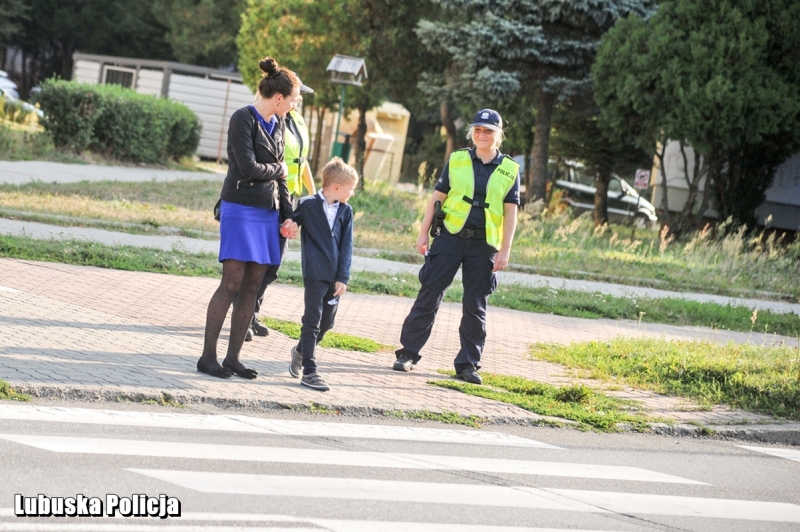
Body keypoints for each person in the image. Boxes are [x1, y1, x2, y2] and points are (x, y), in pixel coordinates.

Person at [391, 109, 520, 385]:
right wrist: (423, 233)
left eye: (488, 131)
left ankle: (468, 364)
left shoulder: (510, 169)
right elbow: (436, 198)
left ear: (499, 135)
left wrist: (505, 249)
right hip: (449, 237)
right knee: (429, 294)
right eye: (478, 130)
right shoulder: (458, 159)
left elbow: (511, 213)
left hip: (484, 244)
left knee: (476, 305)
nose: (482, 135)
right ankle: (407, 354)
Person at [196, 57, 301, 380]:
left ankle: (233, 359)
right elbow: (247, 167)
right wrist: (278, 170)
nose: (295, 105)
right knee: (232, 282)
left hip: (268, 213)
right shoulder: (243, 118)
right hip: (240, 209)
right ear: (279, 98)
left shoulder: (280, 124)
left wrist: (289, 216)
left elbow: (279, 177)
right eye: (294, 99)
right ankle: (208, 357)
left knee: (253, 287)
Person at [247, 74, 317, 340]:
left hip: (293, 198)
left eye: (301, 95)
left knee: (274, 261)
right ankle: (243, 314)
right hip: (273, 195)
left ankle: (252, 312)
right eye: (297, 93)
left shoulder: (297, 120)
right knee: (259, 260)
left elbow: (301, 161)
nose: (299, 98)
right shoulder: (272, 118)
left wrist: (314, 194)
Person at [286, 157, 358, 391]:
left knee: (326, 323)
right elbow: (289, 223)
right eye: (351, 189)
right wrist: (288, 227)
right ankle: (310, 369)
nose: (353, 194)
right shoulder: (307, 205)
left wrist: (343, 277)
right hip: (314, 274)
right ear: (337, 187)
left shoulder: (346, 211)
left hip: (334, 277)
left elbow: (347, 245)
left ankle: (299, 350)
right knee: (312, 320)